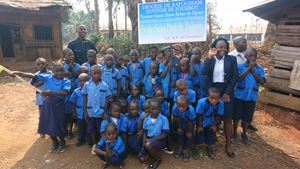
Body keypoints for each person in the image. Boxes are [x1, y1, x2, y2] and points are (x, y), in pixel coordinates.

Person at [202, 38, 238, 158]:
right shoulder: (210, 59)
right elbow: (204, 72)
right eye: (220, 47)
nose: (223, 49)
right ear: (214, 48)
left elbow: (235, 77)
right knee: (212, 118)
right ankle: (210, 145)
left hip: (226, 90)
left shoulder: (231, 59)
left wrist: (227, 93)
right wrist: (208, 57)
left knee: (228, 119)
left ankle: (228, 145)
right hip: (213, 91)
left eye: (225, 47)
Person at [232, 48, 266, 145]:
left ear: (256, 56)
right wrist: (248, 69)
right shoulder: (240, 67)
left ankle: (244, 133)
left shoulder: (259, 69)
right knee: (236, 116)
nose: (252, 57)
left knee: (247, 117)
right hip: (239, 96)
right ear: (245, 57)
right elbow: (238, 78)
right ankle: (234, 133)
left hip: (251, 97)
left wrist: (253, 70)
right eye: (249, 56)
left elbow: (262, 82)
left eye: (254, 56)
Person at [12, 57, 52, 138]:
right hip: (40, 96)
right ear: (36, 66)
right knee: (42, 114)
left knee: (50, 112)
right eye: (38, 64)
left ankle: (51, 128)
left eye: (42, 64)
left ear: (46, 64)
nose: (40, 66)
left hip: (50, 96)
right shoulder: (36, 74)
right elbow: (31, 85)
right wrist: (19, 73)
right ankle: (42, 130)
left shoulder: (51, 73)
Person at [37, 63, 71, 153]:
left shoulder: (66, 81)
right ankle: (54, 142)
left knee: (59, 124)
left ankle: (62, 142)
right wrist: (17, 73)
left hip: (59, 105)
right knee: (49, 124)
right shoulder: (48, 78)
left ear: (64, 71)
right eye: (57, 71)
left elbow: (65, 93)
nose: (59, 73)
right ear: (52, 72)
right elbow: (33, 76)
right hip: (48, 105)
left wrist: (50, 92)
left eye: (61, 70)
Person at [82, 65, 112, 149]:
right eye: (94, 73)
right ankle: (94, 145)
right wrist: (85, 112)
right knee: (91, 130)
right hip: (90, 112)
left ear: (102, 74)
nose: (97, 75)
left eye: (99, 73)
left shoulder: (104, 85)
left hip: (100, 113)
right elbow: (85, 98)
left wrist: (105, 111)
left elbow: (108, 98)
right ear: (90, 74)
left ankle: (101, 144)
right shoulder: (87, 85)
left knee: (101, 130)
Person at [194, 87, 224, 160]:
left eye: (216, 98)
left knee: (211, 133)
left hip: (212, 121)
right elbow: (199, 115)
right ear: (207, 96)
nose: (214, 100)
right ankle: (197, 148)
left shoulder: (220, 103)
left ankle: (209, 148)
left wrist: (214, 125)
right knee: (199, 134)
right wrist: (199, 126)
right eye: (212, 98)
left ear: (219, 97)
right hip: (202, 121)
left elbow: (219, 115)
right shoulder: (201, 102)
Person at [139, 99, 169, 169]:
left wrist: (150, 140)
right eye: (152, 109)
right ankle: (150, 153)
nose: (155, 111)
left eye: (157, 109)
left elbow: (164, 135)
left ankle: (157, 159)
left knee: (148, 145)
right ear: (149, 109)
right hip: (148, 139)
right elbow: (145, 132)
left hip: (159, 140)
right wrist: (143, 144)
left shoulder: (164, 119)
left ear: (160, 109)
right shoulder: (146, 119)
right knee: (141, 159)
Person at [62, 48, 80, 139]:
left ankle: (70, 130)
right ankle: (66, 129)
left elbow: (77, 75)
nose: (71, 56)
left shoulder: (77, 66)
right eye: (69, 55)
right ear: (64, 57)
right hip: (64, 92)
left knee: (71, 111)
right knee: (65, 112)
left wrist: (71, 66)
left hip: (73, 90)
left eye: (72, 54)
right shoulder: (62, 66)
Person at [172, 95, 196, 162]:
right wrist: (179, 127)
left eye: (183, 106)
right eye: (179, 106)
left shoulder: (191, 110)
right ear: (176, 104)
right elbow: (176, 118)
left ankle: (187, 150)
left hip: (189, 124)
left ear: (188, 104)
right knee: (180, 135)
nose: (181, 108)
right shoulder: (175, 108)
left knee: (189, 137)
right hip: (180, 122)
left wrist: (189, 131)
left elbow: (191, 122)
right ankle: (180, 148)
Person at [70, 73, 89, 146]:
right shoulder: (76, 91)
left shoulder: (90, 91)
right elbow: (72, 103)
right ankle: (81, 140)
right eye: (80, 81)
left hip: (88, 113)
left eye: (84, 81)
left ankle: (89, 139)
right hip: (79, 113)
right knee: (80, 127)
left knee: (88, 127)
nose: (82, 83)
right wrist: (74, 112)